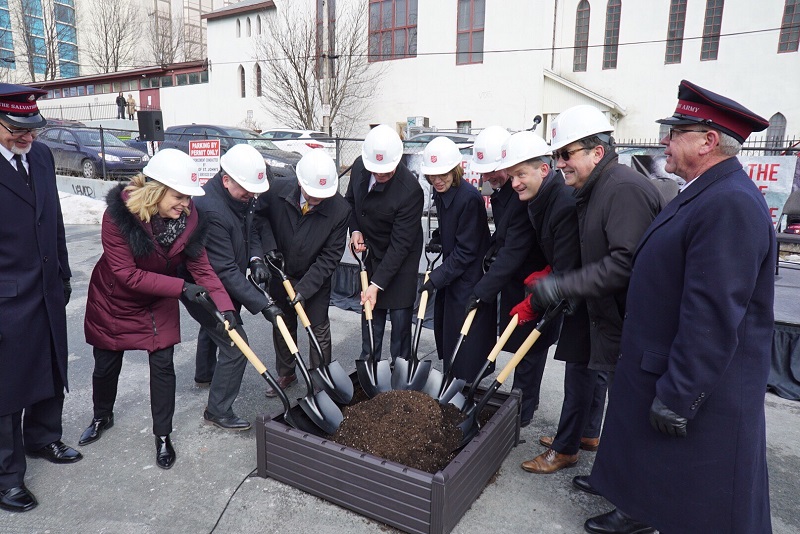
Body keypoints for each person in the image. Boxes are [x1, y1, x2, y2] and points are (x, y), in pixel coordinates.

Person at [585, 81, 774, 534]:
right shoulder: (703, 191)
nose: (664, 142)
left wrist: (679, 395)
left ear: (709, 141)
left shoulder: (728, 202)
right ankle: (640, 512)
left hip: (699, 385)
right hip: (663, 364)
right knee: (664, 479)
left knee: (703, 503)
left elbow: (711, 313)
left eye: (675, 133)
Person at [527, 105, 663, 489]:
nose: (560, 164)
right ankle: (604, 468)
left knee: (627, 408)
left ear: (596, 152)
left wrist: (564, 285)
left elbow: (624, 263)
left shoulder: (621, 189)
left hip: (629, 319)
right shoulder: (596, 188)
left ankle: (627, 496)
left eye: (566, 154)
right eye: (557, 155)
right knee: (596, 383)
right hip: (605, 313)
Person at [81, 148, 235, 470]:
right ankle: (102, 415)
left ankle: (162, 435)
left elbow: (203, 270)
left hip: (159, 297)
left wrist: (226, 311)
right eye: (179, 196)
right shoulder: (119, 215)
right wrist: (182, 288)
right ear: (157, 190)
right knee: (106, 364)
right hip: (115, 298)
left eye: (189, 198)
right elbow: (127, 274)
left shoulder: (190, 219)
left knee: (163, 365)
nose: (186, 205)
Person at [0, 83, 81, 513]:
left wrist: (64, 273)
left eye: (32, 128)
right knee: (7, 388)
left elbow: (53, 220)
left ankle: (44, 438)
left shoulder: (43, 157)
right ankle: (7, 475)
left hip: (47, 287)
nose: (27, 138)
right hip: (6, 297)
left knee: (50, 367)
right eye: (16, 129)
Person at [495, 131, 595, 474]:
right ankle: (590, 433)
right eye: (512, 177)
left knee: (581, 367)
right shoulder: (543, 197)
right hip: (575, 280)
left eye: (521, 175)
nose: (516, 183)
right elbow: (562, 254)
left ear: (543, 168)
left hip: (589, 290)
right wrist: (548, 271)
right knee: (588, 366)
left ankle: (567, 446)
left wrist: (536, 299)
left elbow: (570, 265)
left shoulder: (562, 202)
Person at [182, 144, 283, 429]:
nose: (252, 196)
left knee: (211, 329)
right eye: (247, 190)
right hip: (204, 286)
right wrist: (263, 304)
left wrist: (255, 259)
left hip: (226, 277)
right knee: (235, 345)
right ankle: (218, 410)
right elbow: (223, 270)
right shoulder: (211, 210)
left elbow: (249, 228)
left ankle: (205, 375)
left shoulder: (238, 196)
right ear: (226, 179)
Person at [467, 126, 550, 426]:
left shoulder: (522, 197)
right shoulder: (505, 192)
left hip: (536, 282)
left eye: (494, 171)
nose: (489, 178)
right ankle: (520, 402)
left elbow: (514, 250)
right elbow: (503, 240)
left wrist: (481, 291)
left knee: (530, 349)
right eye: (486, 173)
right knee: (519, 346)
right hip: (516, 280)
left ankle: (521, 413)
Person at [254, 149, 351, 396]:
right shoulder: (276, 191)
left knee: (318, 329)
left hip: (314, 278)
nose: (317, 200)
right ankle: (286, 373)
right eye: (312, 195)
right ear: (300, 182)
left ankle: (319, 380)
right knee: (283, 324)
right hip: (280, 268)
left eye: (322, 196)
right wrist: (269, 248)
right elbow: (259, 219)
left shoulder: (340, 209)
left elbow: (330, 256)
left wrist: (304, 289)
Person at [417, 136, 494, 382]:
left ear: (455, 170)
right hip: (454, 273)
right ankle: (454, 379)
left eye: (443, 174)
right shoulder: (443, 192)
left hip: (469, 277)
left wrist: (436, 278)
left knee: (466, 339)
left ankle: (465, 388)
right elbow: (455, 228)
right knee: (450, 333)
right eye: (433, 176)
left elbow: (467, 251)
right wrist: (440, 236)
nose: (437, 180)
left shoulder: (468, 198)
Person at [345, 125, 423, 364]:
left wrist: (376, 285)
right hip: (372, 251)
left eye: (386, 172)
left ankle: (400, 371)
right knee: (371, 315)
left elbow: (400, 246)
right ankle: (369, 364)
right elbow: (350, 202)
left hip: (401, 258)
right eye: (376, 171)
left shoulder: (410, 191)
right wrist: (355, 230)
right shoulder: (360, 165)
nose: (380, 175)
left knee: (399, 320)